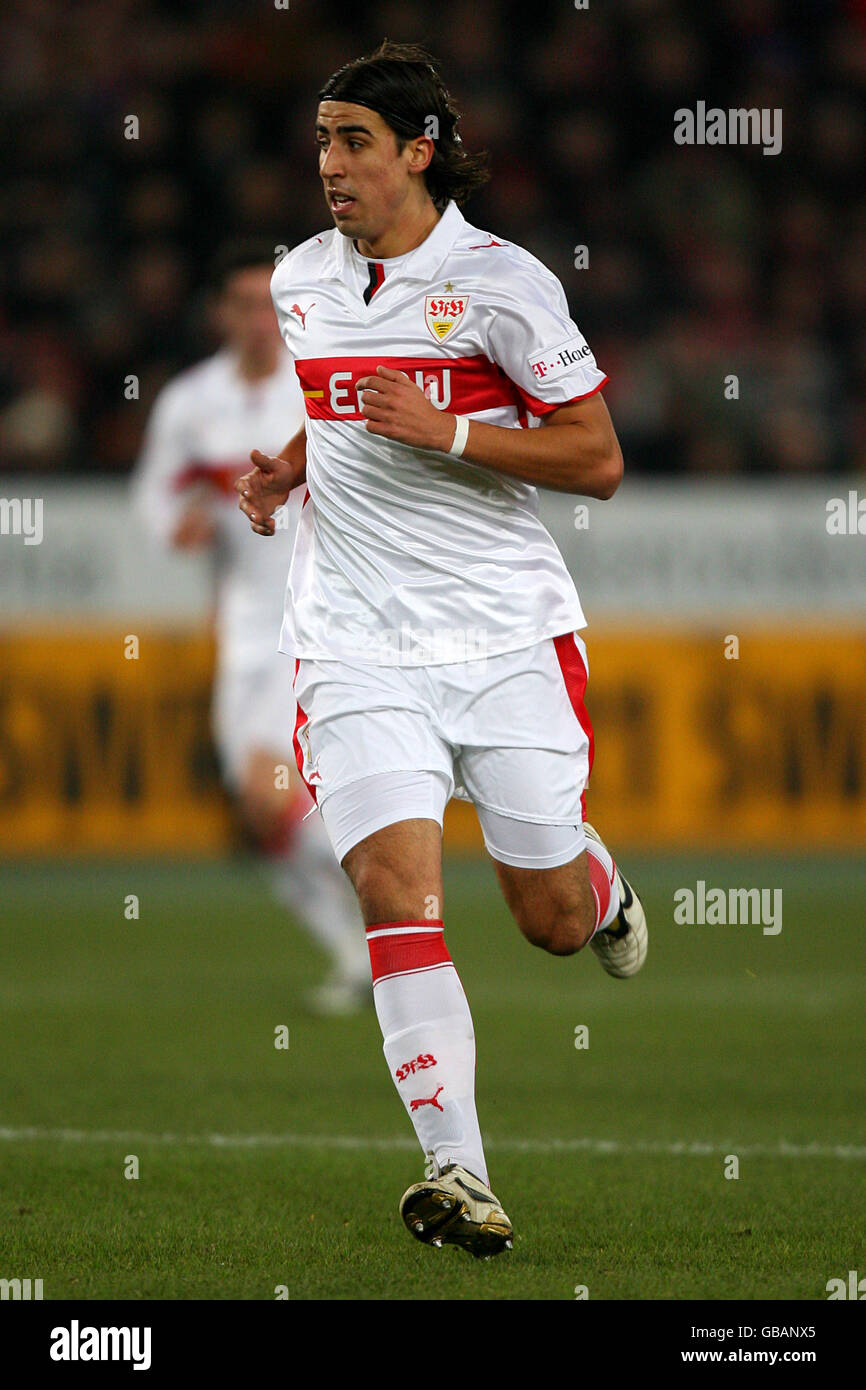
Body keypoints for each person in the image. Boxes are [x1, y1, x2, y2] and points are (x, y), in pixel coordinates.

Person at [237, 42, 648, 1259]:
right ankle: (457, 1170)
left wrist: (453, 432)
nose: (329, 166)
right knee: (393, 892)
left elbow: (597, 460)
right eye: (320, 140)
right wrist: (290, 462)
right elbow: (338, 402)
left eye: (353, 140)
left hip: (503, 637)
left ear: (419, 151)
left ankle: (594, 872)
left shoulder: (502, 284)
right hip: (351, 641)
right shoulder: (300, 279)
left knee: (553, 923)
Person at [132, 241, 369, 1016]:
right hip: (242, 631)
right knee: (261, 806)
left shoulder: (317, 387)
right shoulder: (190, 403)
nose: (259, 319)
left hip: (325, 619)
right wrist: (180, 528)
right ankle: (368, 944)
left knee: (273, 800)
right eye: (241, 303)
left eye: (268, 302)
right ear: (221, 315)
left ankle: (390, 913)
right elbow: (153, 499)